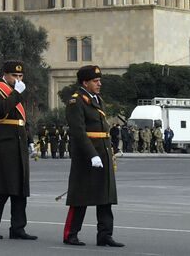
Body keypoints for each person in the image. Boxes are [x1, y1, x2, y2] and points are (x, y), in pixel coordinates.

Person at [62, 65, 123, 247]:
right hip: (86, 156)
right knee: (80, 196)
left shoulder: (96, 99)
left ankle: (104, 234)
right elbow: (79, 132)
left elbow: (102, 129)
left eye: (99, 80)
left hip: (102, 153)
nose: (99, 84)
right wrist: (92, 155)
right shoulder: (76, 102)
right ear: (85, 82)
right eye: (95, 81)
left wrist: (111, 149)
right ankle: (70, 234)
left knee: (105, 196)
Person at [0, 61, 37, 241]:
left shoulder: (17, 93)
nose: (18, 79)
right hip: (4, 143)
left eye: (20, 76)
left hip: (19, 141)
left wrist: (30, 140)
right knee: (3, 186)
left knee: (20, 187)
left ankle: (18, 228)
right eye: (14, 76)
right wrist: (16, 93)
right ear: (5, 74)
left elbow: (22, 118)